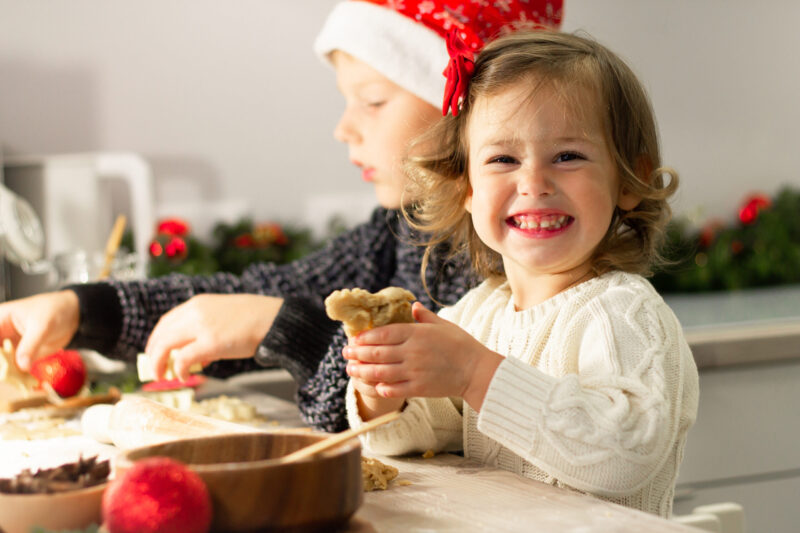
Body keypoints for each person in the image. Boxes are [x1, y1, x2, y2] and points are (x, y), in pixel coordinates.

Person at [0, 1, 563, 432]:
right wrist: (82, 309)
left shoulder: (523, 254)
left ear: (467, 110)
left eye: (372, 99)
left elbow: (436, 409)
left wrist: (278, 327)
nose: (344, 128)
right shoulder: (401, 234)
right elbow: (247, 294)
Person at [342, 30, 699, 517]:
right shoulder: (478, 313)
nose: (533, 183)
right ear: (466, 186)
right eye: (502, 159)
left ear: (628, 180)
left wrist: (474, 373)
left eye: (568, 156)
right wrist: (382, 392)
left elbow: (624, 454)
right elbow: (422, 434)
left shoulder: (625, 312)